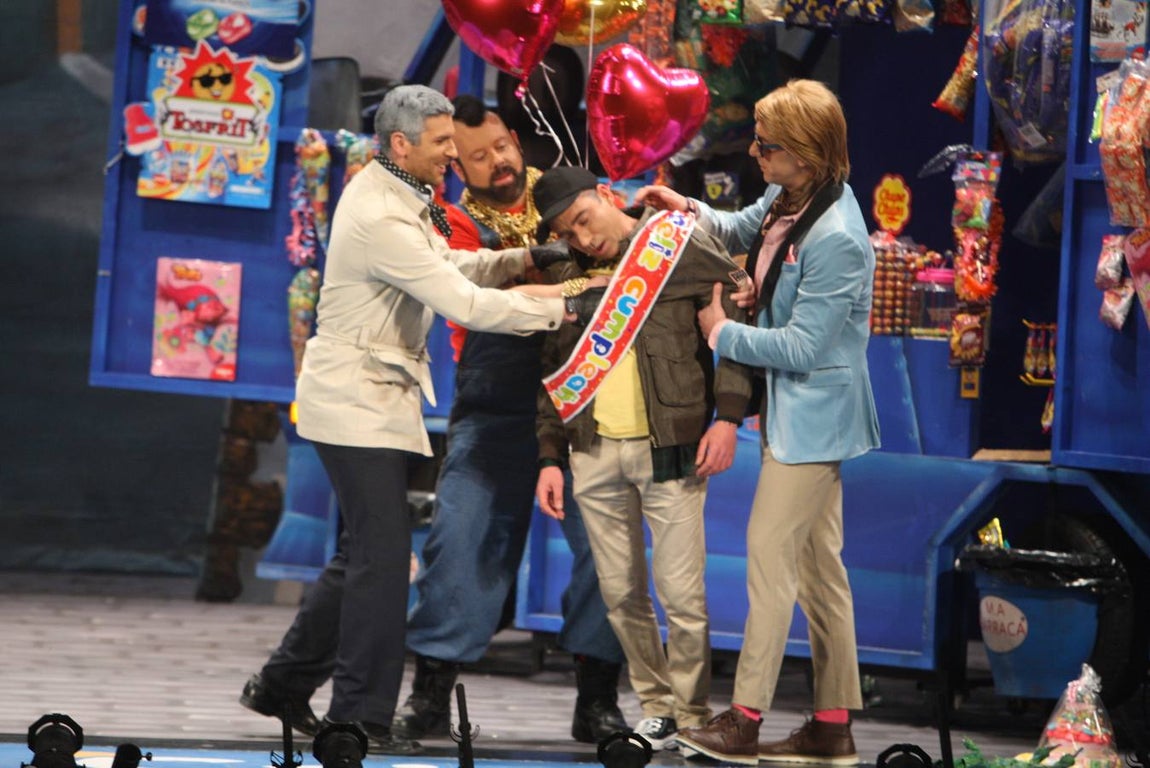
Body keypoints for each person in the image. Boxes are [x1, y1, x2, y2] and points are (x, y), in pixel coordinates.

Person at [238, 85, 586, 755]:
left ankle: (282, 685)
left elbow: (448, 263)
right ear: (402, 144)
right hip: (355, 404)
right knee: (383, 558)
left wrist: (517, 259)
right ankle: (359, 716)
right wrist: (565, 307)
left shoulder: (397, 195)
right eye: (442, 143)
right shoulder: (382, 216)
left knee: (363, 552)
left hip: (367, 400)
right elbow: (464, 304)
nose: (452, 155)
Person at [636, 78, 880, 765]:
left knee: (769, 563)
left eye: (768, 146)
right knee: (818, 571)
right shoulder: (790, 197)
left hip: (815, 420)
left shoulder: (839, 237)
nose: (756, 153)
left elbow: (805, 346)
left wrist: (720, 332)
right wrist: (683, 206)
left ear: (805, 153)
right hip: (792, 415)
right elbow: (741, 226)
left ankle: (744, 718)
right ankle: (832, 726)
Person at [393, 94, 629, 744]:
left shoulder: (562, 193)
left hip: (587, 403)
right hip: (495, 400)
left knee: (606, 550)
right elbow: (473, 299)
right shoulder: (452, 222)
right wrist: (571, 284)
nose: (497, 162)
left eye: (501, 146)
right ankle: (430, 692)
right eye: (476, 157)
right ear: (456, 166)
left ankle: (598, 697)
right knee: (458, 542)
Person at [532, 165, 754, 750]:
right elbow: (555, 371)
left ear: (608, 196)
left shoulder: (672, 244)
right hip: (593, 454)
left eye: (583, 219)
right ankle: (655, 706)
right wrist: (550, 455)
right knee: (619, 594)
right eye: (568, 232)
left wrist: (729, 417)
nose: (582, 238)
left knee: (683, 597)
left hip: (672, 447)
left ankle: (691, 713)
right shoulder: (566, 273)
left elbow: (736, 316)